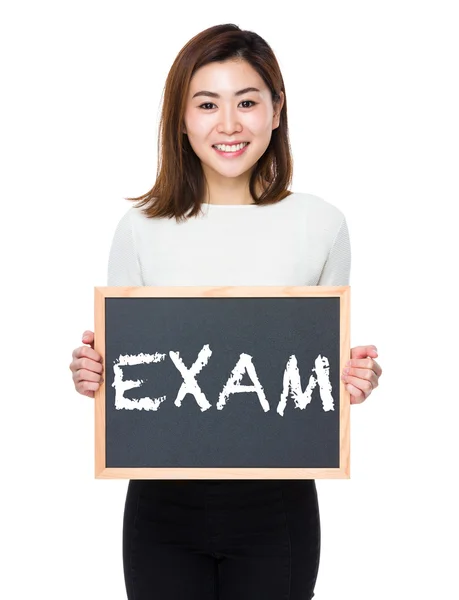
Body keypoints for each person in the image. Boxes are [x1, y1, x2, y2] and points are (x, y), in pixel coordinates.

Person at [69, 23, 382, 600]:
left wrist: (352, 380)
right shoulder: (140, 229)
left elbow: (315, 373)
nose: (229, 124)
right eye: (207, 104)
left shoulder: (321, 224)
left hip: (277, 508)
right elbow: (126, 372)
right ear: (182, 118)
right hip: (161, 509)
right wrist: (95, 373)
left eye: (247, 102)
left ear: (276, 109)